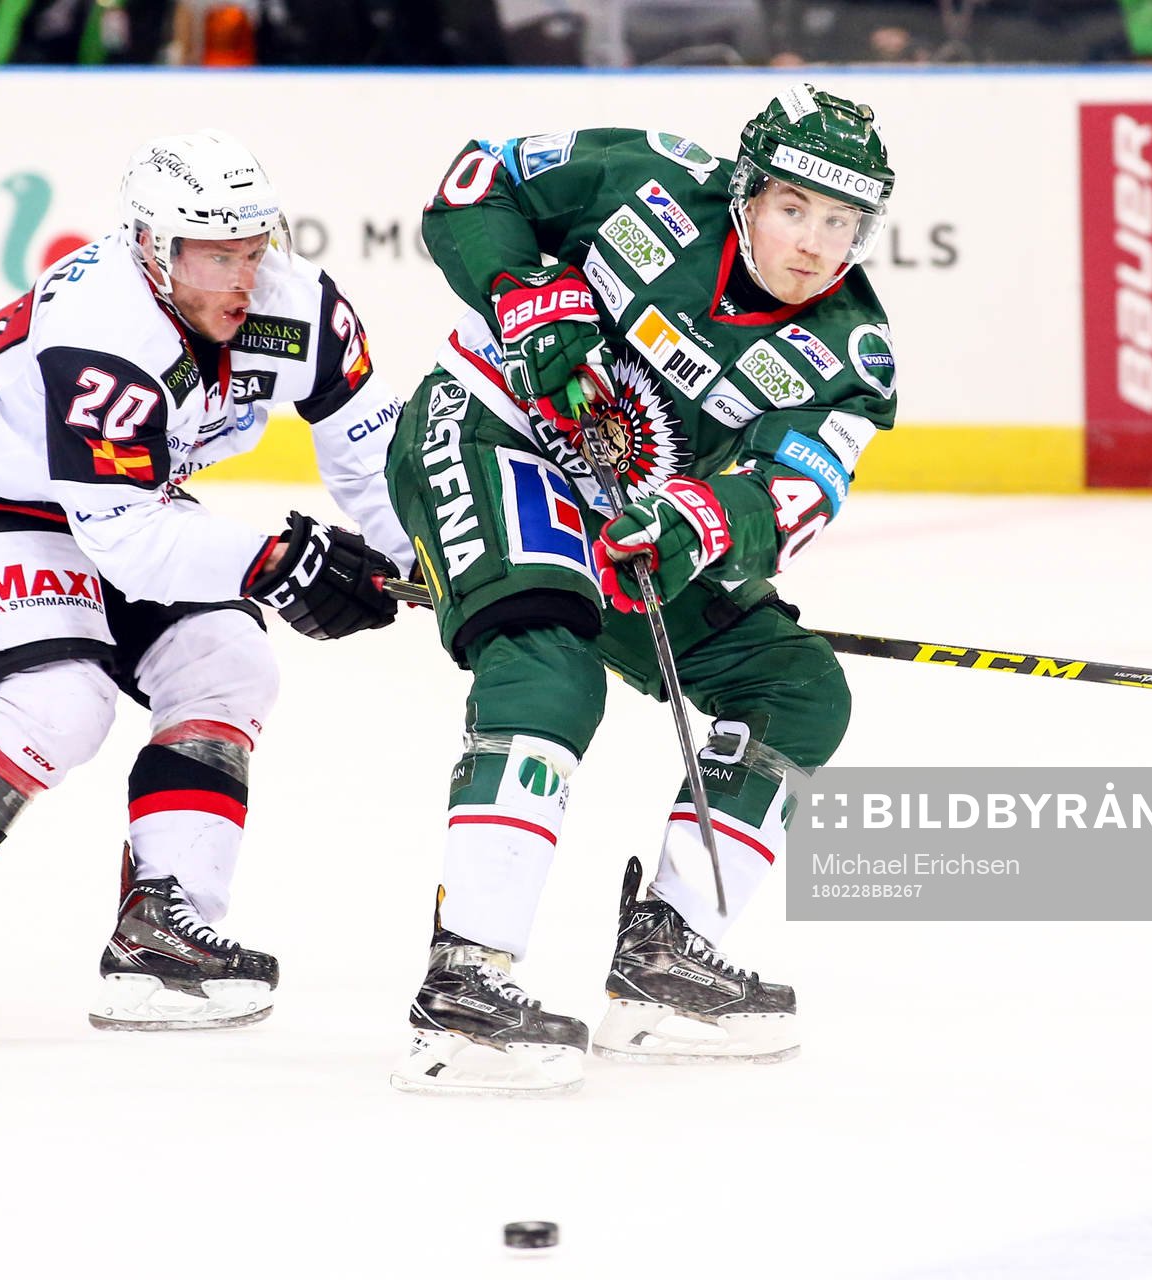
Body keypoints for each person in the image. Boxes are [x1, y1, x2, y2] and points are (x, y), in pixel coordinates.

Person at [0, 130, 406, 1038]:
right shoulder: (103, 329)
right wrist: (279, 560)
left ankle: (162, 932)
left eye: (252, 247)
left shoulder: (296, 304)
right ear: (156, 247)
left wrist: (423, 560)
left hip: (120, 496)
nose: (240, 276)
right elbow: (129, 543)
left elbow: (366, 454)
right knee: (57, 705)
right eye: (214, 254)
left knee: (229, 666)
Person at [384, 85, 897, 1094]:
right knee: (549, 666)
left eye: (840, 222)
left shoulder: (850, 353)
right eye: (794, 207)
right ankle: (467, 979)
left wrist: (697, 523)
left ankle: (668, 957)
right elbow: (473, 185)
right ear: (746, 190)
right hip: (493, 430)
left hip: (641, 523)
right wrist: (526, 287)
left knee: (798, 689)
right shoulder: (645, 177)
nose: (812, 243)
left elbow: (790, 490)